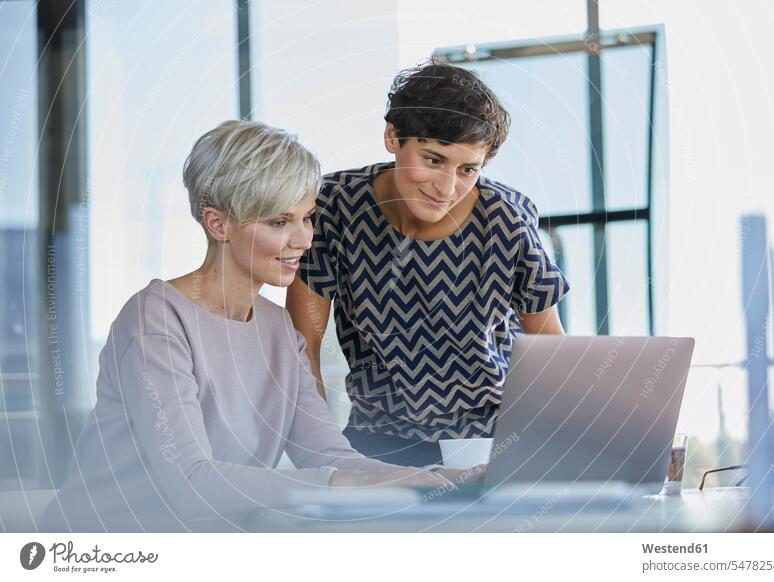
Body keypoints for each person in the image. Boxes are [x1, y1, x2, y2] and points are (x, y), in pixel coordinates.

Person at [39, 120, 459, 533]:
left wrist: (433, 478)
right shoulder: (156, 320)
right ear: (218, 224)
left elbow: (328, 456)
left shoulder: (278, 328)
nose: (303, 239)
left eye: (307, 217)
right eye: (279, 222)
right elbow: (190, 483)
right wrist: (342, 482)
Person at [286, 61, 571, 467]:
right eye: (433, 160)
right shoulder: (335, 206)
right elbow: (303, 347)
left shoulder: (506, 217)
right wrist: (320, 454)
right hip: (376, 440)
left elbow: (549, 351)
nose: (447, 188)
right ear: (392, 137)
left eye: (468, 169)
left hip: (493, 441)